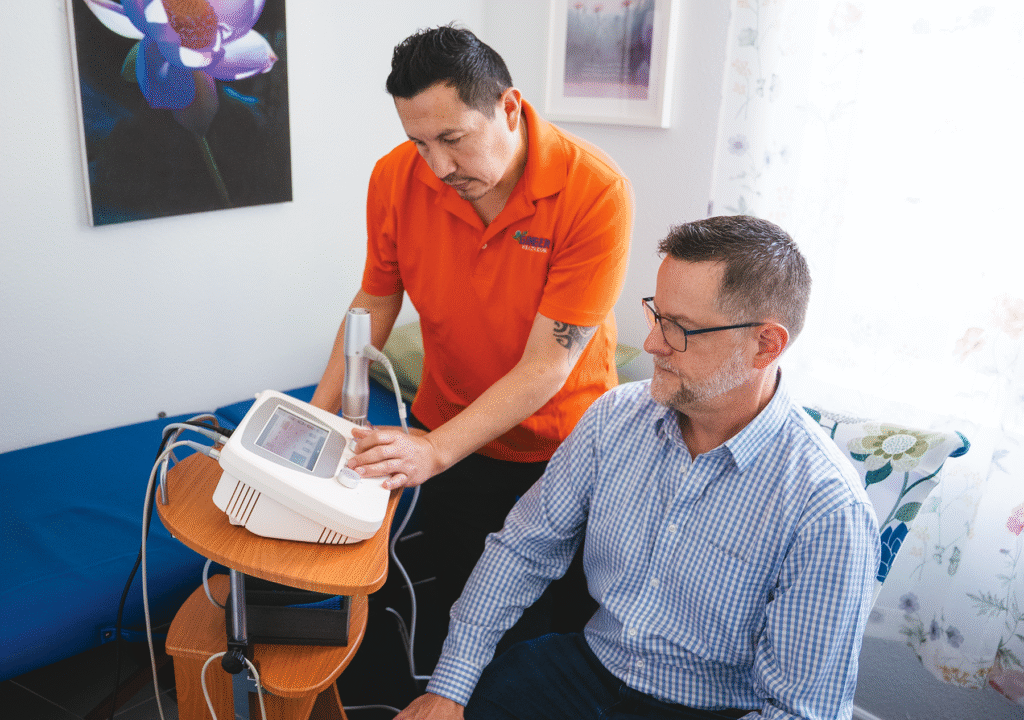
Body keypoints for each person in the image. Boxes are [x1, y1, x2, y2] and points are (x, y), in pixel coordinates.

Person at [396, 215, 881, 720]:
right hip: (586, 668)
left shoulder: (828, 509)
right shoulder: (615, 417)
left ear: (766, 345)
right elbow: (522, 550)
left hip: (707, 709)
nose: (652, 344)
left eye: (681, 329)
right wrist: (449, 688)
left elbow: (799, 712)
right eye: (657, 315)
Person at [310, 24, 632, 668]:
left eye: (453, 139)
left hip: (563, 451)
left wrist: (432, 451)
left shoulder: (594, 191)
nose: (438, 167)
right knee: (458, 614)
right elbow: (376, 299)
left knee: (543, 640)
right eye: (419, 142)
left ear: (508, 108)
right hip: (451, 428)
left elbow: (549, 364)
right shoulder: (395, 178)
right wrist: (315, 418)